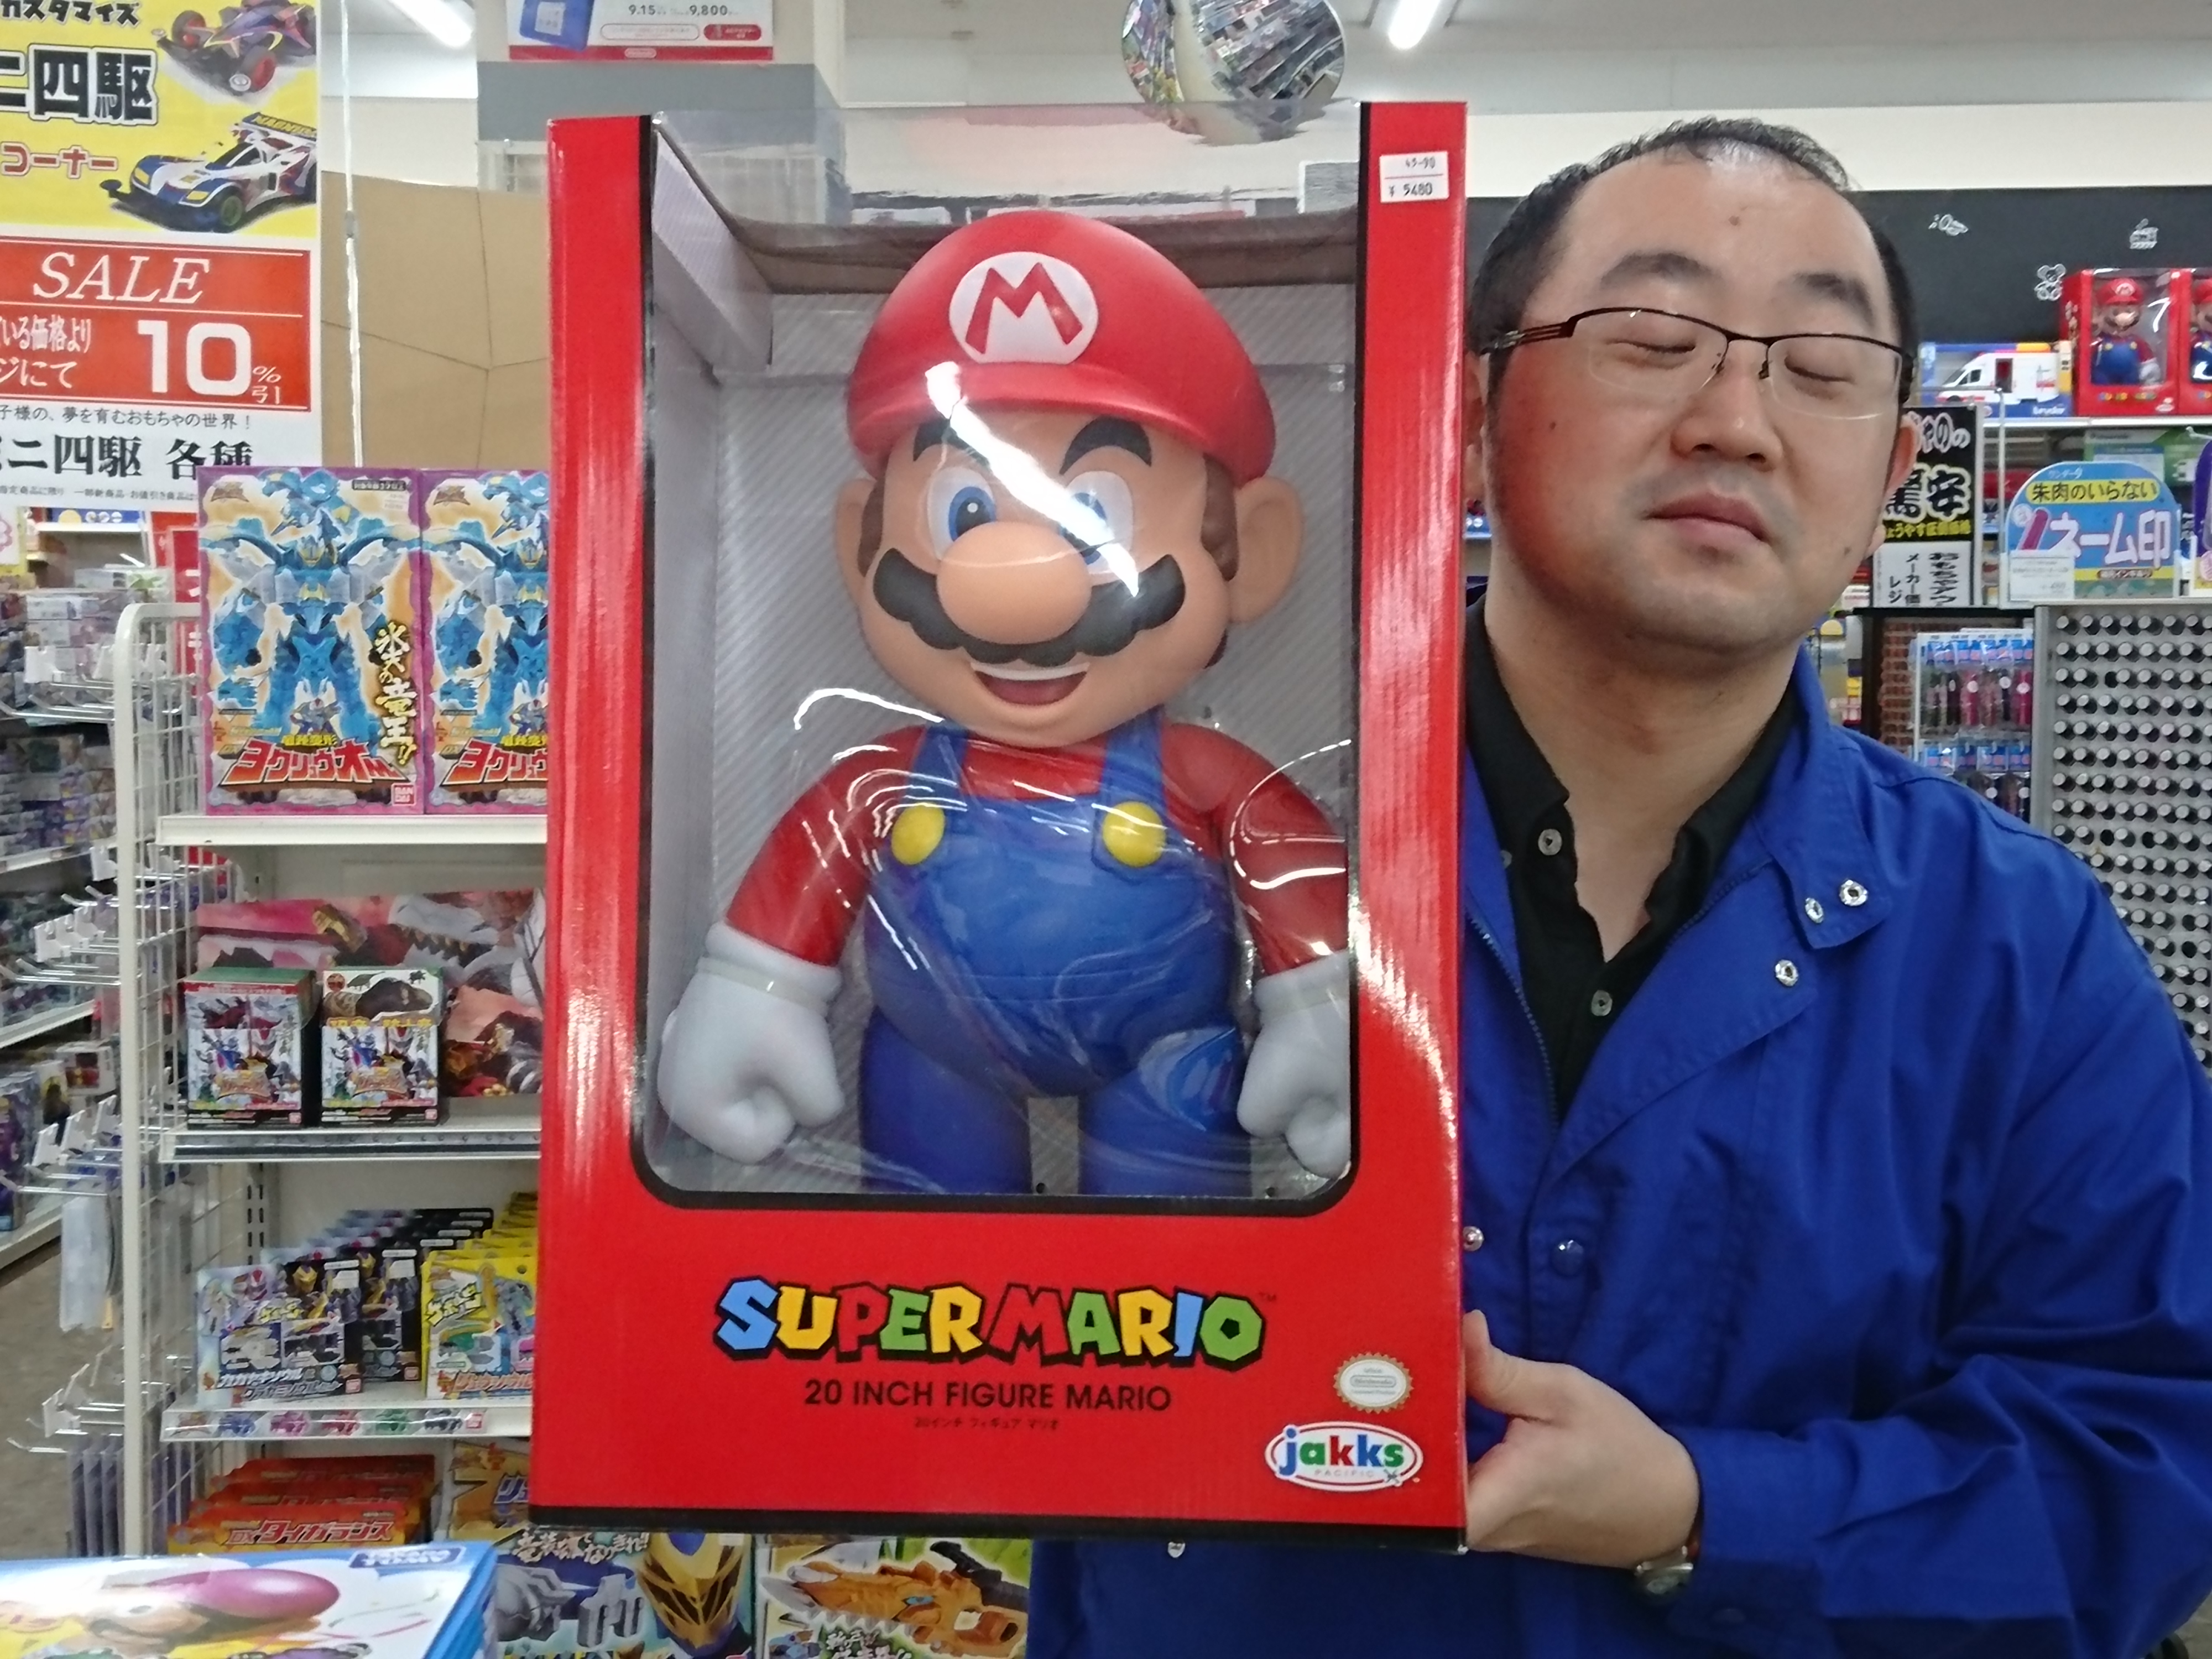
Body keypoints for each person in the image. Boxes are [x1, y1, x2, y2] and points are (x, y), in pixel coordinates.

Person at [1031, 117, 2212, 1658]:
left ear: (1889, 478)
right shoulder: (1198, 859)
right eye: (1654, 340)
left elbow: (2142, 1465)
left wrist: (1710, 1513)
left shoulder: (2019, 951)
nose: (1738, 421)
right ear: (1467, 416)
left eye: (1822, 367)